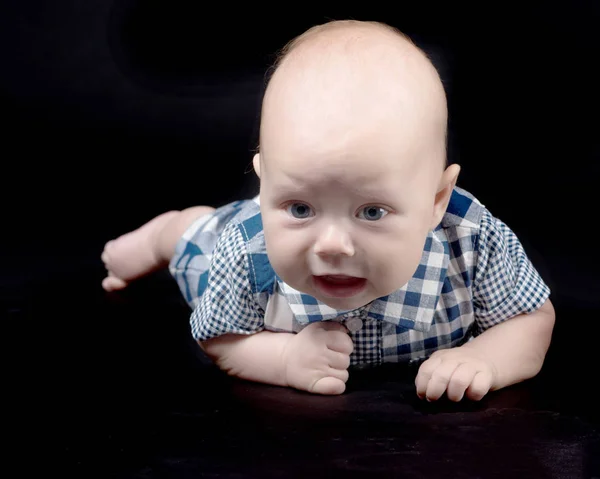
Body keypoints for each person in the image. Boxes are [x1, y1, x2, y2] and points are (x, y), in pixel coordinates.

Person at [101, 19, 555, 402]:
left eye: (372, 212)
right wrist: (283, 359)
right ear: (266, 183)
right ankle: (163, 231)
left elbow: (531, 319)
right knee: (192, 234)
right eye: (300, 207)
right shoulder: (245, 250)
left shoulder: (472, 240)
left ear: (436, 201)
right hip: (211, 244)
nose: (333, 245)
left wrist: (484, 359)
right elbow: (219, 338)